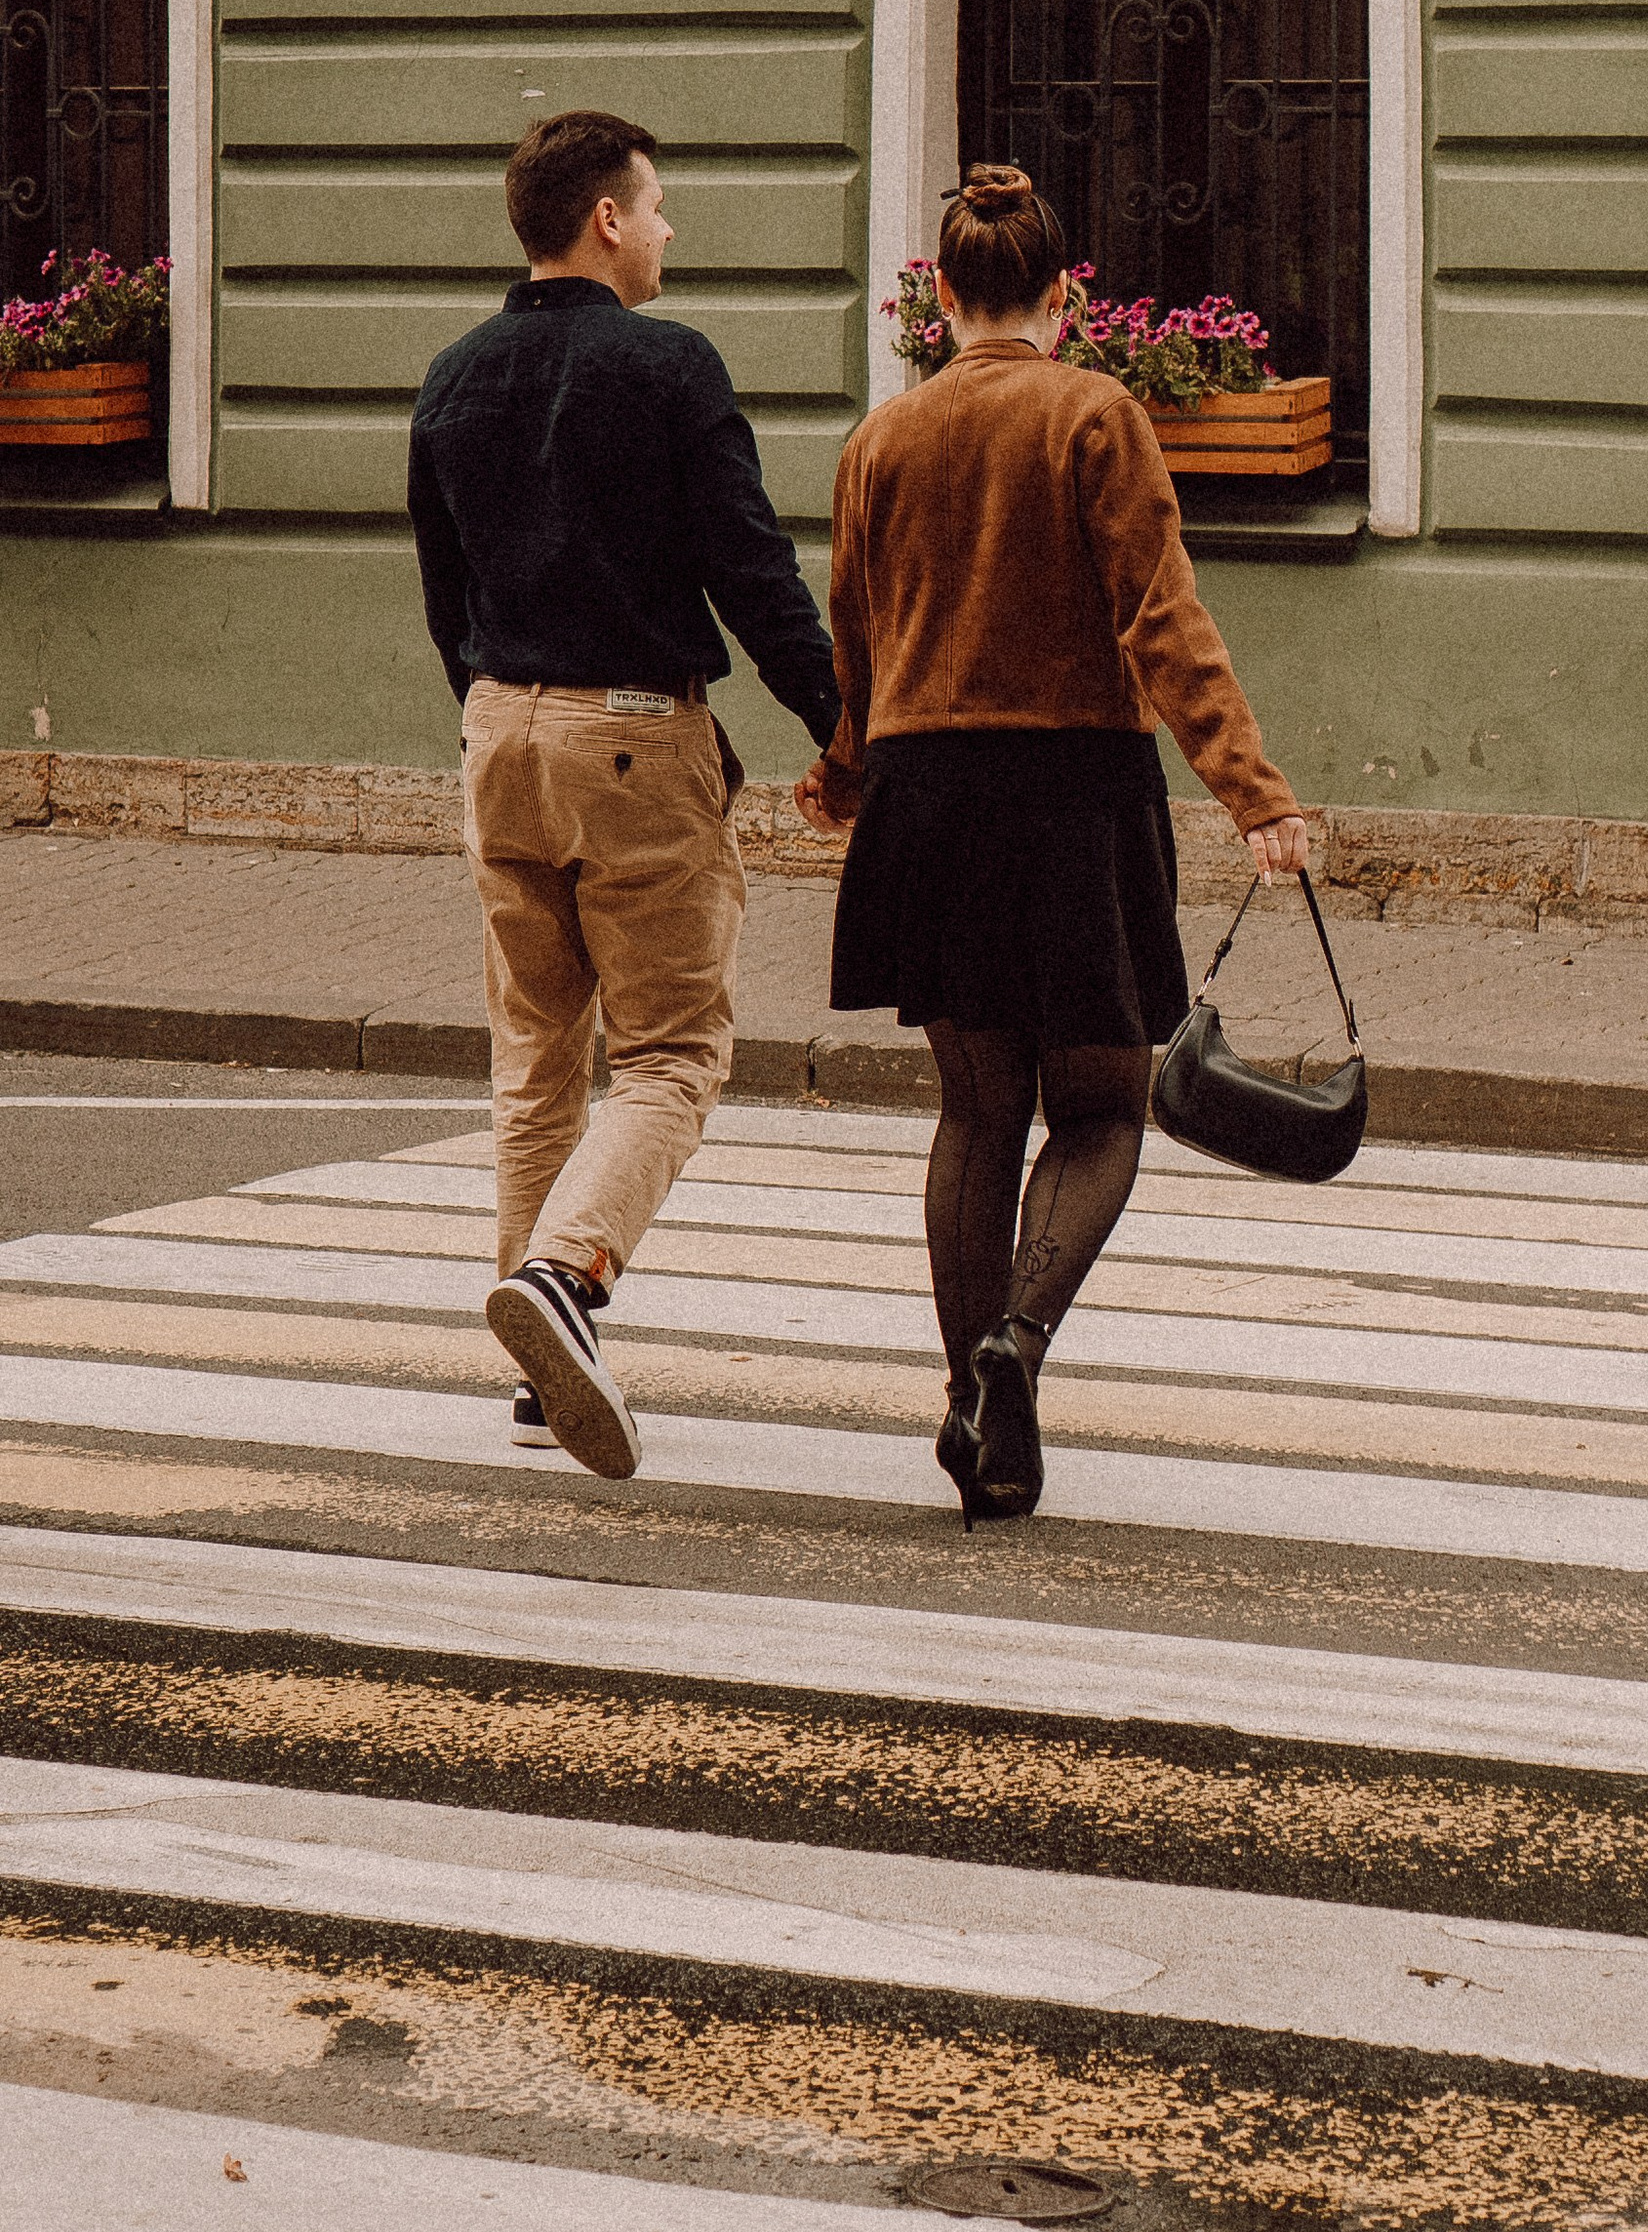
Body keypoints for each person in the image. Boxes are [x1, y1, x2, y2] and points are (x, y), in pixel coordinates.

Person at [800, 164, 1309, 1523]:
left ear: (944, 301)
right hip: (1076, 792)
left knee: (977, 1109)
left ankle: (974, 1413)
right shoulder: (1098, 413)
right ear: (1064, 296)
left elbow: (856, 630)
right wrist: (1253, 792)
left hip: (929, 796)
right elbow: (1161, 616)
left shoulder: (881, 440)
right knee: (1095, 1106)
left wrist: (847, 773)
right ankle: (1016, 1344)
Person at [408, 109, 840, 1482]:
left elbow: (444, 590)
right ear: (605, 218)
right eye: (656, 208)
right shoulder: (666, 367)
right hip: (635, 740)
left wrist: (495, 710)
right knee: (669, 1055)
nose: (667, 231)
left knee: (537, 1057)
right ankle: (566, 1281)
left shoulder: (452, 376)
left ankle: (539, 1378)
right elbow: (751, 570)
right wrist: (849, 731)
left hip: (497, 732)